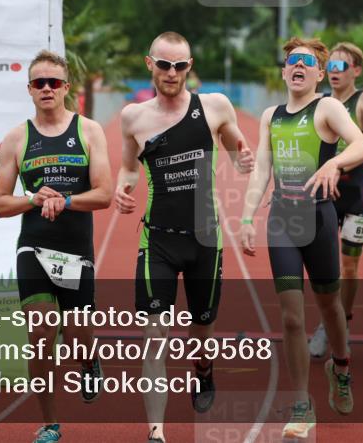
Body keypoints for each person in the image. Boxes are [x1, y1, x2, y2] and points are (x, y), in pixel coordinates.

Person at [114, 32, 254, 443]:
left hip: (205, 241)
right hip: (156, 240)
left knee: (201, 333)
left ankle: (204, 370)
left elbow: (237, 153)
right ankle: (156, 432)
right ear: (149, 64)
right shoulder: (133, 118)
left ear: (189, 67)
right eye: (163, 65)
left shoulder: (214, 106)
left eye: (179, 65)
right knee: (154, 337)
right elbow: (128, 168)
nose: (171, 73)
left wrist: (243, 160)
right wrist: (124, 189)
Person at [239, 37, 363, 439]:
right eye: (292, 61)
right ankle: (301, 403)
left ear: (318, 74)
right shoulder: (271, 116)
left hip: (318, 218)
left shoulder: (328, 107)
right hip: (281, 218)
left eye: (308, 62)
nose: (298, 66)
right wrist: (246, 216)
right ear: (284, 72)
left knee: (330, 306)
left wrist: (335, 163)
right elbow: (262, 169)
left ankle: (341, 366)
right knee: (292, 317)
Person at [0, 50, 113, 443]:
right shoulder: (16, 138)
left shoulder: (88, 131)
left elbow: (105, 194)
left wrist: (66, 200)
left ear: (65, 88)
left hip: (75, 248)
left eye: (54, 82)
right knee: (40, 335)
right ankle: (50, 423)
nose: (47, 89)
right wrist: (32, 199)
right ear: (29, 90)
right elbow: (0, 204)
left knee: (78, 335)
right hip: (34, 247)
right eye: (39, 83)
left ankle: (88, 358)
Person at [308, 42, 363, 359]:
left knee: (350, 266)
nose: (335, 73)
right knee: (323, 265)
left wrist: (337, 169)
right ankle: (327, 322)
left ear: (356, 70)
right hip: (325, 195)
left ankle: (342, 323)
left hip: (354, 196)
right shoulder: (321, 104)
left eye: (342, 67)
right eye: (331, 67)